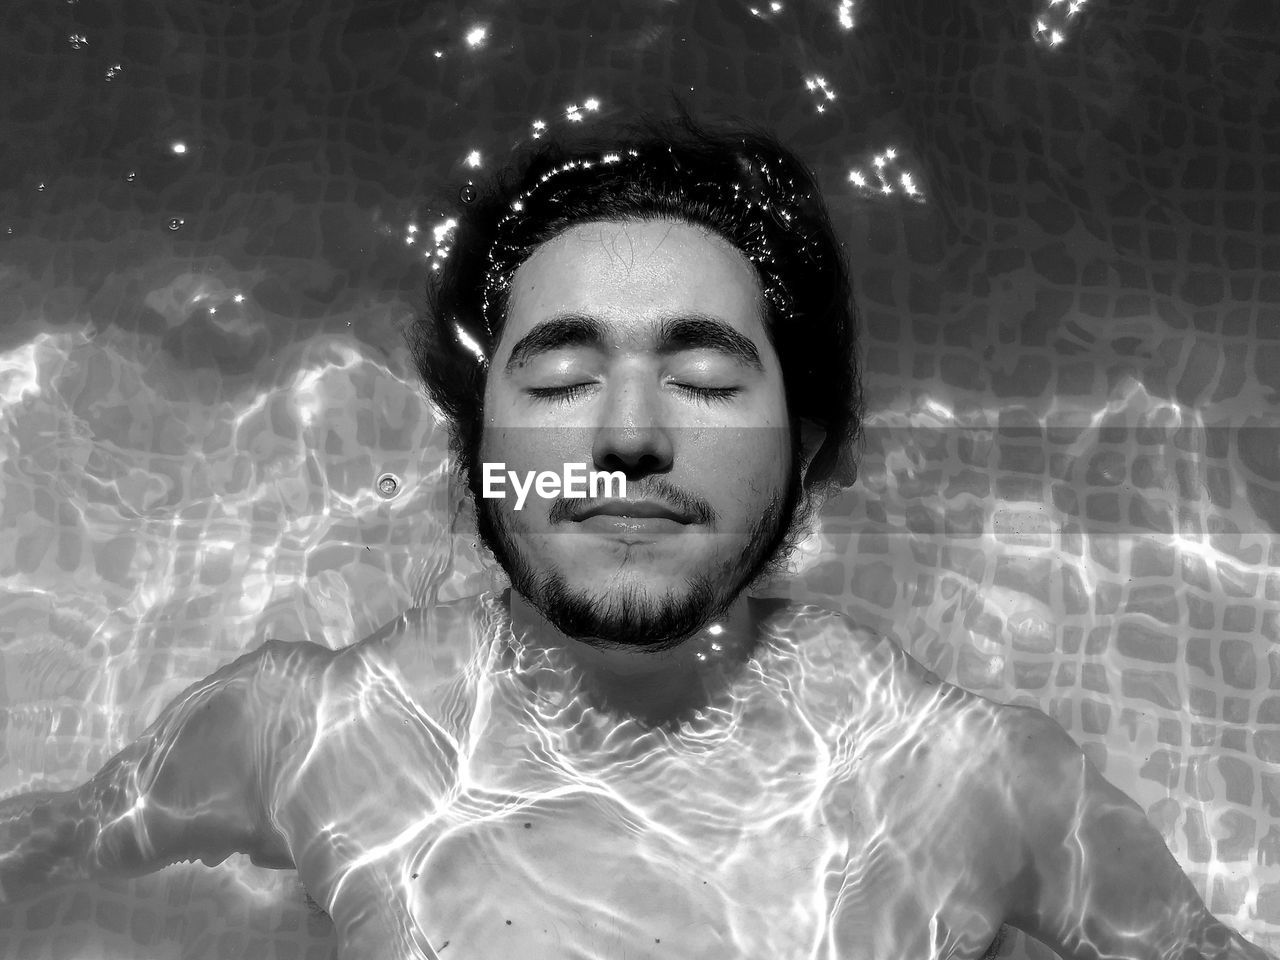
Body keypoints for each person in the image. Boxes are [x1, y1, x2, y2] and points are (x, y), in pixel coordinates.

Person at [0, 111, 1273, 960]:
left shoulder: (982, 786)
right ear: (474, 446)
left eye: (707, 382)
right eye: (554, 382)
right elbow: (46, 852)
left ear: (812, 444)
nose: (626, 438)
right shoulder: (301, 732)